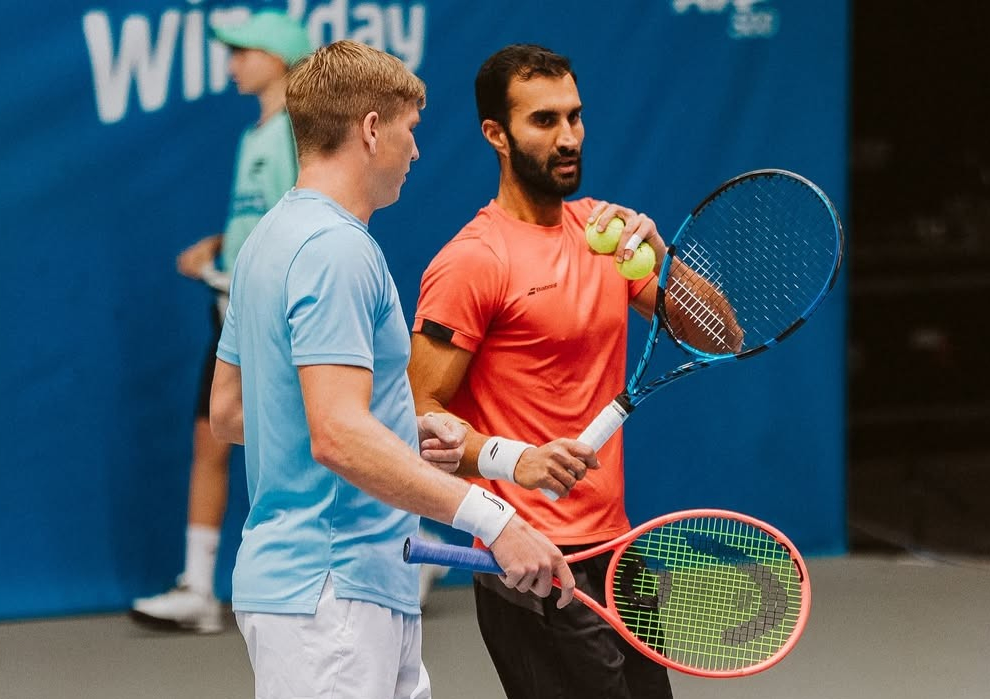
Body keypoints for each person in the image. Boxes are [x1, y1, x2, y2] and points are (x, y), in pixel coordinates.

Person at [208, 40, 577, 699]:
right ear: (371, 129)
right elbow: (336, 435)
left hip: (335, 591)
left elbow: (234, 414)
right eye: (411, 129)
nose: (416, 151)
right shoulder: (338, 251)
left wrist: (397, 430)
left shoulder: (266, 239)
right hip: (333, 598)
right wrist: (496, 520)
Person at [408, 44, 740, 699]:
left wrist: (662, 256)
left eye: (574, 116)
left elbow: (722, 336)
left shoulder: (605, 235)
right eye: (544, 121)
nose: (568, 137)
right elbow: (418, 421)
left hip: (615, 549)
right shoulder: (473, 261)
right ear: (496, 135)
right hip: (529, 560)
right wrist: (515, 461)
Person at [130, 10, 310, 633]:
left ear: (278, 58)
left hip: (274, 317)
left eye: (243, 52)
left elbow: (301, 218)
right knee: (210, 438)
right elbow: (259, 218)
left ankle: (409, 544)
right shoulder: (254, 135)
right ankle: (200, 589)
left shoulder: (295, 133)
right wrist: (220, 247)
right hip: (232, 311)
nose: (232, 63)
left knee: (323, 440)